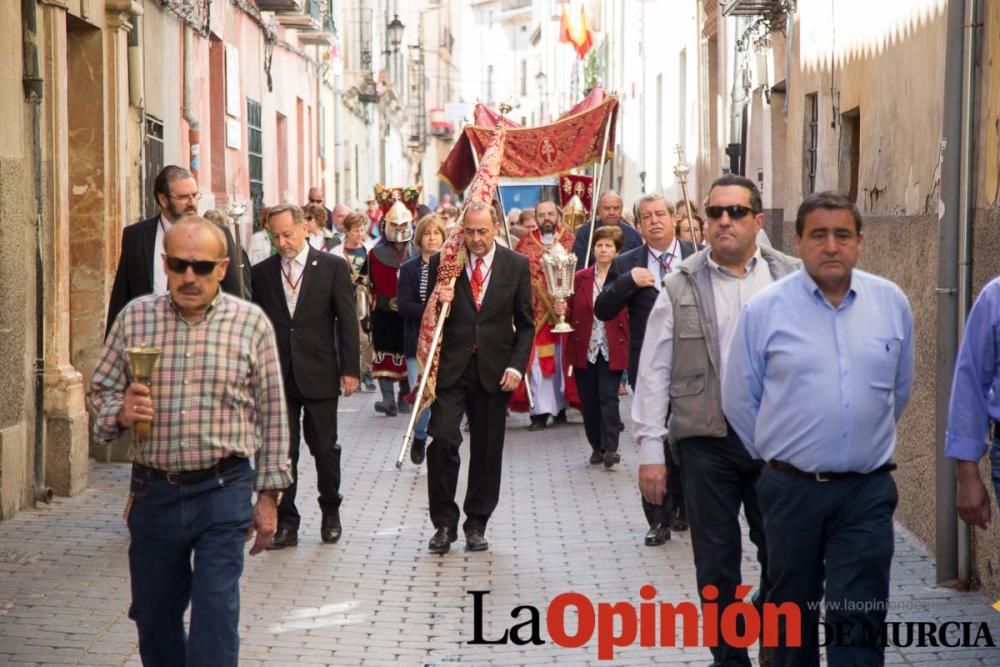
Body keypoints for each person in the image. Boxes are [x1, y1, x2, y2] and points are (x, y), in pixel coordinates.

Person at [88, 216, 291, 666]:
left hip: (223, 488)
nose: (188, 277)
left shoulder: (250, 324)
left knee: (215, 614)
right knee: (155, 618)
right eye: (178, 265)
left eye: (200, 267)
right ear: (165, 264)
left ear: (222, 268)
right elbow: (100, 387)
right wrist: (119, 412)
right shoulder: (136, 318)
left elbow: (273, 411)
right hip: (154, 490)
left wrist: (270, 495)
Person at [724, 191, 914, 666]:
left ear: (860, 242)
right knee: (791, 621)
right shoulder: (765, 311)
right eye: (819, 235)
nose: (832, 246)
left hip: (866, 493)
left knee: (860, 617)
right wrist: (784, 455)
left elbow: (899, 390)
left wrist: (852, 442)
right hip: (791, 492)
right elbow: (739, 399)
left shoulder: (890, 303)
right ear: (799, 241)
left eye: (843, 235)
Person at [631, 175, 799, 667]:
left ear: (758, 220)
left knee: (786, 558)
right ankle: (729, 659)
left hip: (776, 444)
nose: (725, 221)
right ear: (703, 221)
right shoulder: (680, 282)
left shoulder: (789, 278)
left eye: (737, 212)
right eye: (716, 212)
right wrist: (648, 453)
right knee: (717, 565)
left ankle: (774, 634)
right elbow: (654, 369)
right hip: (707, 443)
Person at [426, 203, 534, 554]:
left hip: (494, 370)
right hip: (452, 369)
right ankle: (444, 523)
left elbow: (526, 324)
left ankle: (477, 522)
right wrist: (436, 301)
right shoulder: (444, 263)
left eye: (482, 231)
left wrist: (516, 367)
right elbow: (424, 318)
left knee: (487, 450)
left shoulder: (515, 265)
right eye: (469, 231)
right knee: (442, 439)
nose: (475, 239)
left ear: (495, 228)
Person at [251, 204, 361, 549]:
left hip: (320, 372)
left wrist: (350, 370)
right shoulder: (262, 272)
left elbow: (347, 321)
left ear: (304, 230)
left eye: (287, 234)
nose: (282, 242)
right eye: (275, 236)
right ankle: (288, 521)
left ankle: (331, 511)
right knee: (284, 451)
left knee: (324, 449)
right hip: (278, 375)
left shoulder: (332, 266)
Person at [594, 193, 696, 545]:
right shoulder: (627, 263)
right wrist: (626, 283)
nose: (654, 221)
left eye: (660, 214)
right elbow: (602, 309)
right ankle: (658, 519)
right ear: (638, 226)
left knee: (688, 441)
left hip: (695, 369)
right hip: (650, 368)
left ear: (673, 219)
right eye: (646, 217)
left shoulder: (696, 255)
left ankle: (684, 507)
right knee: (656, 440)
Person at [106, 165, 247, 337]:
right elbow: (122, 295)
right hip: (149, 342)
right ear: (163, 200)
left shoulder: (217, 234)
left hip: (202, 341)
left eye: (194, 195)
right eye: (183, 197)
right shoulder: (135, 236)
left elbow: (233, 294)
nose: (192, 203)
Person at [558, 225, 629, 468]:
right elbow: (567, 307)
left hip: (612, 346)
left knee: (608, 397)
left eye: (608, 245)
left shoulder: (623, 278)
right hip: (584, 346)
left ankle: (611, 447)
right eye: (599, 245)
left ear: (617, 250)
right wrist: (561, 311)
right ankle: (596, 445)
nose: (603, 249)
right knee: (588, 399)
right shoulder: (581, 278)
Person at [513, 200, 575, 430]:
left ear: (558, 215)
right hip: (537, 314)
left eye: (551, 214)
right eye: (541, 215)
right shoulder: (525, 243)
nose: (546, 218)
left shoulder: (570, 241)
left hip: (564, 312)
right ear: (536, 218)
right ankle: (539, 411)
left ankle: (560, 407)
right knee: (539, 364)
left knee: (561, 362)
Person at [397, 214, 446, 464]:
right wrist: (431, 312)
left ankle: (438, 437)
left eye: (436, 233)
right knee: (421, 392)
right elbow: (404, 305)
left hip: (446, 340)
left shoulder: (451, 267)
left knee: (442, 393)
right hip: (417, 340)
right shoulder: (408, 269)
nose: (432, 238)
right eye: (427, 233)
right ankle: (419, 435)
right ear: (419, 238)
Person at [369, 200, 415, 416]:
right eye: (394, 225)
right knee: (383, 354)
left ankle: (405, 397)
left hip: (410, 313)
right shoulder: (374, 254)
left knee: (409, 354)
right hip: (384, 313)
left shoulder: (417, 252)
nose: (398, 229)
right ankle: (388, 400)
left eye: (402, 224)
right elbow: (363, 284)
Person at [333, 212, 378, 392]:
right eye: (356, 231)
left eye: (362, 230)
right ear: (347, 231)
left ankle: (365, 372)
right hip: (343, 299)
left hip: (364, 299)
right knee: (345, 336)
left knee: (366, 337)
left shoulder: (369, 251)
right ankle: (347, 372)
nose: (360, 234)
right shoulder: (336, 252)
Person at [571, 191, 643, 269]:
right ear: (599, 210)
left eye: (616, 208)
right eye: (607, 208)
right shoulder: (586, 232)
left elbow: (639, 265)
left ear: (621, 209)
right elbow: (578, 265)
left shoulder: (633, 235)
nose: (611, 212)